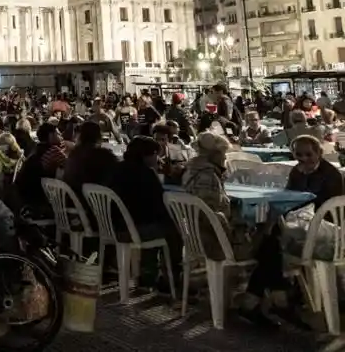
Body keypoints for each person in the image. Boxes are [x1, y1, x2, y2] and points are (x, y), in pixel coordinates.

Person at [182, 131, 302, 328]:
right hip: (216, 242)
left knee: (269, 240)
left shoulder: (191, 171)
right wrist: (245, 224)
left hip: (198, 238)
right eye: (224, 154)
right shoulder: (208, 177)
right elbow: (213, 217)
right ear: (215, 154)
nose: (225, 158)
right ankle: (271, 300)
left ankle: (264, 300)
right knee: (270, 242)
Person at [106, 135, 181, 288]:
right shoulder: (146, 174)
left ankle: (148, 273)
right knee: (173, 230)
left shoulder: (115, 169)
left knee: (157, 225)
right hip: (134, 229)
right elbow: (160, 205)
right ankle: (170, 277)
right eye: (156, 154)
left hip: (115, 226)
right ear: (148, 155)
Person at [62, 121, 118, 203]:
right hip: (95, 202)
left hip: (74, 200)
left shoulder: (74, 153)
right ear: (98, 136)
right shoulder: (103, 155)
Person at [286, 134, 344, 210]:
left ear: (319, 153)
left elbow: (331, 204)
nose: (304, 158)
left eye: (309, 155)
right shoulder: (296, 171)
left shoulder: (331, 174)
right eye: (298, 154)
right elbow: (288, 194)